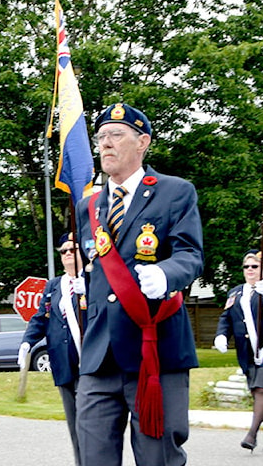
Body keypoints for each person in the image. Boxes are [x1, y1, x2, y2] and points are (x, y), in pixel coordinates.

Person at [74, 103, 204, 466]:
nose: (106, 144)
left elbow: (191, 255)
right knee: (92, 457)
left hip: (155, 350)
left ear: (142, 142)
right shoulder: (89, 207)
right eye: (101, 137)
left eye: (116, 135)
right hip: (100, 354)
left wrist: (165, 274)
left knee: (157, 458)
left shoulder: (174, 192)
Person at [18, 233, 86, 466]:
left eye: (72, 249)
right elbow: (41, 318)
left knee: (90, 424)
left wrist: (89, 288)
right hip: (63, 365)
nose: (68, 254)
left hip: (89, 364)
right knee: (74, 425)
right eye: (63, 251)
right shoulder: (54, 285)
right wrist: (27, 342)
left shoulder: (93, 280)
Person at [214, 250, 263, 452]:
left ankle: (252, 435)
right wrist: (221, 334)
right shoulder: (235, 292)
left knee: (261, 390)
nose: (249, 270)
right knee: (258, 394)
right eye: (246, 267)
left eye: (254, 266)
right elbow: (226, 317)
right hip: (247, 352)